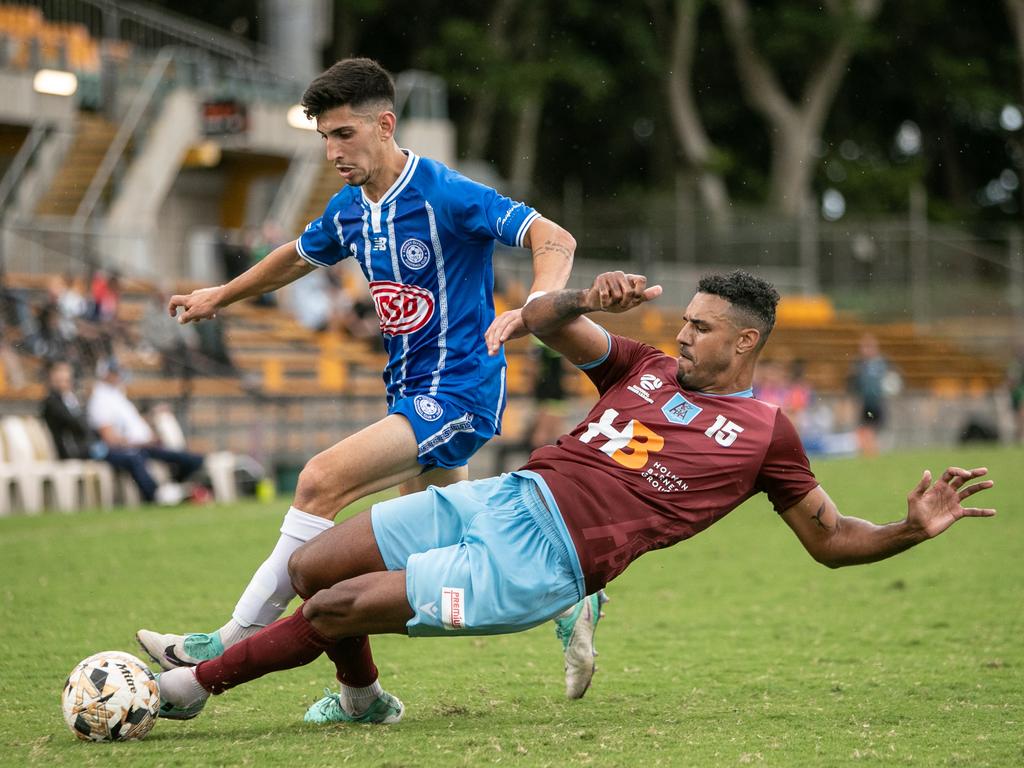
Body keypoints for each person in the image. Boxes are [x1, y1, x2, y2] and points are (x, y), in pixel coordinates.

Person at [156, 269, 995, 725]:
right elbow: (544, 318)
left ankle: (193, 689)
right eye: (684, 320)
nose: (682, 334)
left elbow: (828, 538)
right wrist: (590, 297)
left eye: (701, 327)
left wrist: (909, 531)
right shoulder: (646, 366)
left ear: (746, 341)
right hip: (504, 497)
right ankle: (365, 702)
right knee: (312, 567)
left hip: (542, 564)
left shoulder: (766, 435)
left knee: (338, 605)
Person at [138, 57, 583, 691]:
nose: (332, 151)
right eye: (323, 138)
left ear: (385, 124)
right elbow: (295, 256)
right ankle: (368, 693)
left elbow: (555, 238)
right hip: (408, 394)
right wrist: (220, 296)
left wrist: (535, 308)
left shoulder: (446, 194)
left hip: (459, 391)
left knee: (319, 481)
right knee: (413, 556)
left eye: (343, 134)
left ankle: (227, 637)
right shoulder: (351, 208)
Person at [87, 358, 205, 504]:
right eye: (115, 372)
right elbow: (110, 439)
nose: (120, 375)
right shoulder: (100, 400)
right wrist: (140, 442)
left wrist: (151, 416)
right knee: (135, 458)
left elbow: (131, 425)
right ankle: (156, 497)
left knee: (191, 459)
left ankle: (172, 491)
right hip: (123, 449)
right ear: (106, 374)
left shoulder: (117, 395)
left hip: (143, 445)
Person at [849, 333, 893, 457]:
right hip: (864, 402)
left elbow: (893, 380)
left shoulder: (883, 363)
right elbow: (852, 384)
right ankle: (869, 453)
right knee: (864, 429)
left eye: (868, 347)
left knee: (871, 429)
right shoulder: (858, 364)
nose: (865, 350)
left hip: (877, 402)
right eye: (863, 347)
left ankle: (872, 453)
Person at [40, 360, 93, 460]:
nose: (64, 383)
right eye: (60, 379)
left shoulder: (71, 398)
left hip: (80, 446)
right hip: (68, 450)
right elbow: (77, 425)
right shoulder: (52, 402)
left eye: (67, 380)